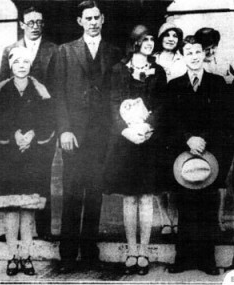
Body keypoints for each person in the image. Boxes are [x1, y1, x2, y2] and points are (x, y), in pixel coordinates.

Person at [54, 0, 121, 273]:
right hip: (74, 134)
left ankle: (90, 252)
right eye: (87, 18)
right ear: (80, 21)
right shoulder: (65, 51)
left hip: (101, 135)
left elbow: (118, 94)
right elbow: (58, 94)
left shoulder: (114, 52)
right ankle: (68, 255)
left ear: (102, 19)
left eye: (96, 17)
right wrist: (64, 129)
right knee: (71, 194)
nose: (93, 22)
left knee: (95, 194)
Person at [103, 24, 167, 275]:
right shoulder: (118, 70)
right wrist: (127, 130)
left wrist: (149, 127)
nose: (150, 43)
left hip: (149, 141)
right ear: (135, 42)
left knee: (147, 197)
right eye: (145, 39)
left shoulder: (157, 72)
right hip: (126, 141)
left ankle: (144, 251)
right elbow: (112, 104)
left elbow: (162, 104)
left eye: (152, 39)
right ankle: (131, 250)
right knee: (130, 197)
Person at [167, 35, 233, 275]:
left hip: (210, 152)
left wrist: (203, 139)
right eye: (189, 53)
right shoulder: (174, 85)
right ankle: (183, 257)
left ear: (203, 54)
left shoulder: (217, 83)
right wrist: (188, 139)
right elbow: (170, 119)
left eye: (197, 52)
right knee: (185, 204)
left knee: (207, 204)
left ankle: (207, 259)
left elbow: (224, 117)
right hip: (183, 153)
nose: (194, 56)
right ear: (183, 57)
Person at [0, 5, 57, 242]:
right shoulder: (9, 50)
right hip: (15, 127)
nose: (35, 26)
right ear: (22, 24)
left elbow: (56, 89)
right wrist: (13, 131)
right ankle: (13, 230)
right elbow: (3, 90)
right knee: (14, 175)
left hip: (41, 124)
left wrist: (43, 126)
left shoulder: (54, 50)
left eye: (39, 22)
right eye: (30, 22)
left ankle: (42, 229)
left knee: (41, 173)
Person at [0, 47, 54, 276]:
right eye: (16, 61)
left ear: (30, 65)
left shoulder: (41, 90)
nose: (21, 65)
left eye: (25, 62)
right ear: (11, 65)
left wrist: (32, 135)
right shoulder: (0, 90)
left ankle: (26, 256)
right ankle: (12, 257)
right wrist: (13, 135)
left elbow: (48, 120)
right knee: (11, 208)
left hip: (32, 155)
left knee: (28, 208)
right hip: (9, 155)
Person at [154, 22, 186, 236]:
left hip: (175, 120)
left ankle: (175, 218)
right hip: (156, 121)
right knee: (158, 173)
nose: (171, 38)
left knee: (176, 172)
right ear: (161, 37)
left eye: (175, 35)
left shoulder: (183, 60)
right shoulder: (152, 59)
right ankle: (164, 218)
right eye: (167, 34)